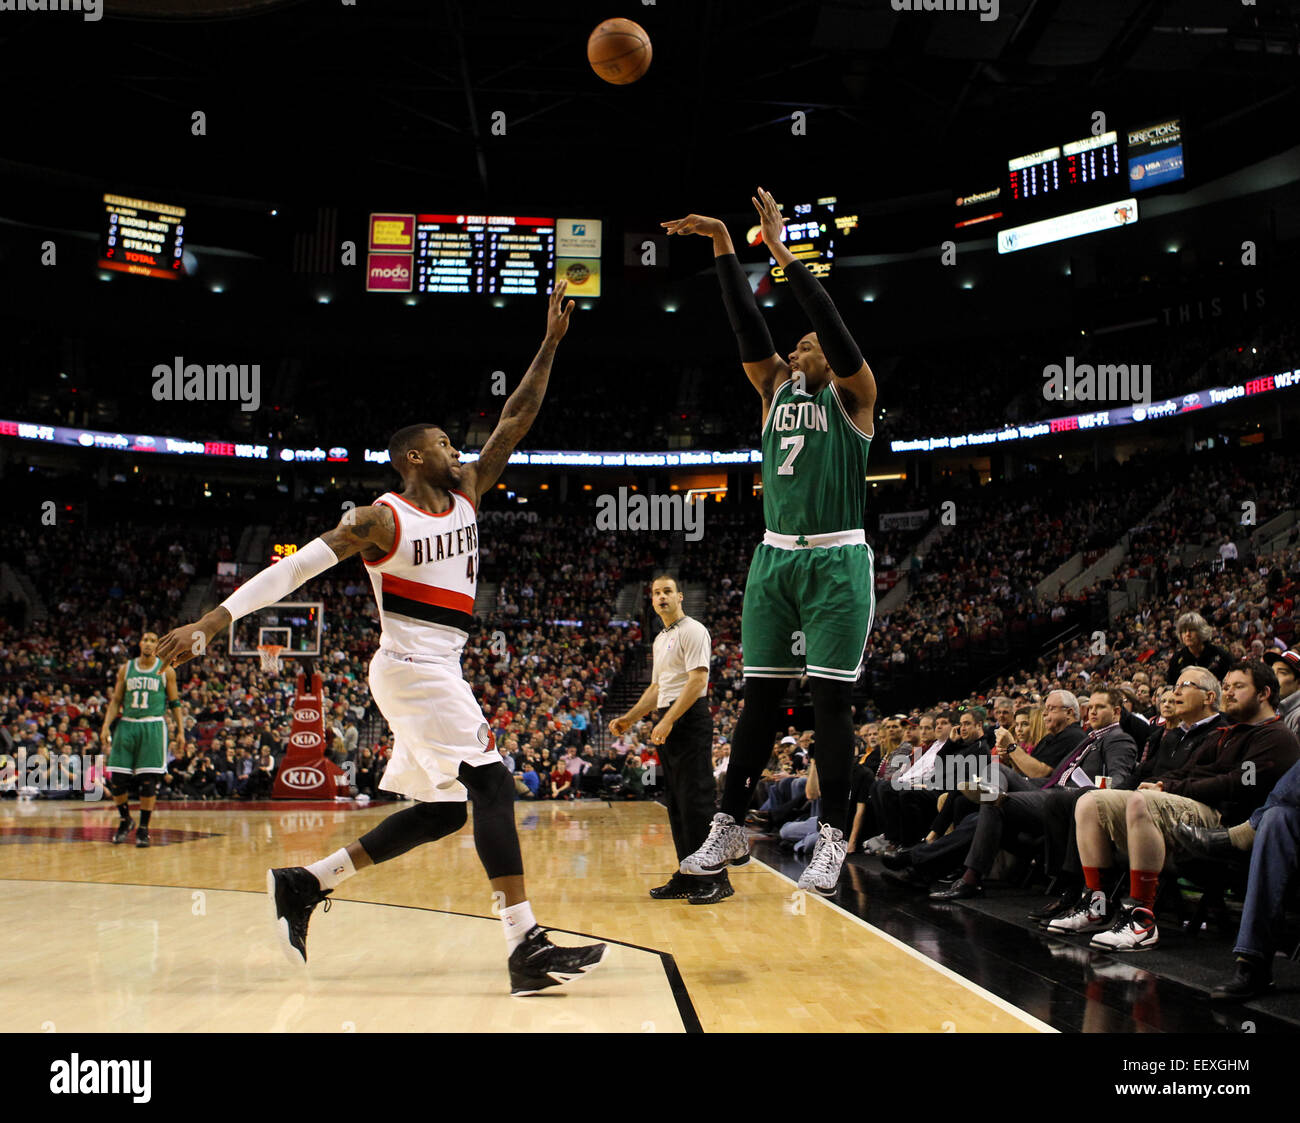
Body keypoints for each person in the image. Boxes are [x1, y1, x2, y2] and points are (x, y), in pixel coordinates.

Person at [155, 282, 607, 997]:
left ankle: (306, 882)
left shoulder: (468, 490)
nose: (458, 448)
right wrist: (214, 621)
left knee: (444, 808)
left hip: (434, 665)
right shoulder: (380, 519)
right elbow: (297, 566)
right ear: (413, 459)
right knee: (492, 783)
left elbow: (516, 418)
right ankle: (523, 941)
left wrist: (549, 343)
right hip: (411, 665)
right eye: (444, 444)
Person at [663, 189, 877, 897]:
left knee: (829, 704)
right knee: (758, 697)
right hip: (774, 556)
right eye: (794, 345)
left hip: (838, 559)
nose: (795, 346)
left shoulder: (854, 397)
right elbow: (747, 328)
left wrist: (784, 256)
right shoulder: (772, 390)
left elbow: (832, 326)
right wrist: (727, 242)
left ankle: (834, 839)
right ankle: (726, 825)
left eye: (805, 344)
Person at [1067, 662, 1300, 952]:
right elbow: (1188, 771)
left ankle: (1141, 919)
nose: (1227, 692)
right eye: (1225, 686)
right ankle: (1097, 903)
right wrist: (1157, 783)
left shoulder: (1274, 736)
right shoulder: (1226, 733)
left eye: (1237, 687)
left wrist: (1168, 788)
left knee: (1144, 802)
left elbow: (1239, 782)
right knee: (1090, 801)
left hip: (1226, 824)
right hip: (1194, 807)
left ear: (1264, 693)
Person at [610, 575, 725, 902]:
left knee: (698, 800)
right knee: (676, 802)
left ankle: (716, 877)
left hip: (689, 719)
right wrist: (629, 718)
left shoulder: (693, 630)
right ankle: (689, 872)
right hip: (671, 718)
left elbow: (697, 681)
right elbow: (657, 689)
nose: (661, 597)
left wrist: (669, 720)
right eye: (656, 593)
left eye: (667, 591)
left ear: (680, 597)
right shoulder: (661, 639)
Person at [101, 631, 185, 847]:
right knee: (117, 779)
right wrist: (105, 726)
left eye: (153, 640)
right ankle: (125, 819)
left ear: (158, 645)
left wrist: (180, 731)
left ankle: (144, 828)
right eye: (145, 640)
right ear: (140, 644)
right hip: (127, 724)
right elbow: (116, 700)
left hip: (153, 725)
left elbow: (175, 703)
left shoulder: (167, 670)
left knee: (148, 781)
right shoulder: (126, 669)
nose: (148, 643)